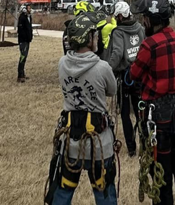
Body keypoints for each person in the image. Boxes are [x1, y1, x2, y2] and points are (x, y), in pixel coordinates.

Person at [129, 0, 175, 205]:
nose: (143, 22)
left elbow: (134, 75)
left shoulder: (149, 46)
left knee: (161, 178)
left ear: (150, 20)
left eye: (144, 19)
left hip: (158, 120)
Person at [46, 13, 118, 205]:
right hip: (99, 144)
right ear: (88, 38)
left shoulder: (62, 64)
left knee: (63, 191)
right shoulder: (102, 68)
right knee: (105, 193)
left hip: (71, 143)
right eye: (94, 35)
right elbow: (112, 90)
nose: (97, 38)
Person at [105, 0, 145, 157]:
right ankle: (145, 142)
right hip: (140, 75)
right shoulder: (140, 28)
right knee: (140, 110)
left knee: (125, 113)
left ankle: (132, 148)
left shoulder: (118, 32)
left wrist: (107, 69)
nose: (116, 20)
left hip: (125, 77)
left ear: (121, 16)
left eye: (116, 17)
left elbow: (117, 54)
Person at [17, 4, 34, 83]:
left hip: (27, 40)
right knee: (22, 57)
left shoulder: (29, 17)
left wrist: (30, 37)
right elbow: (21, 30)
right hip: (23, 41)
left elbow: (29, 28)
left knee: (25, 57)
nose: (30, 9)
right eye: (28, 8)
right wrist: (25, 38)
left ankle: (23, 74)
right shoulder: (22, 18)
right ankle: (20, 75)